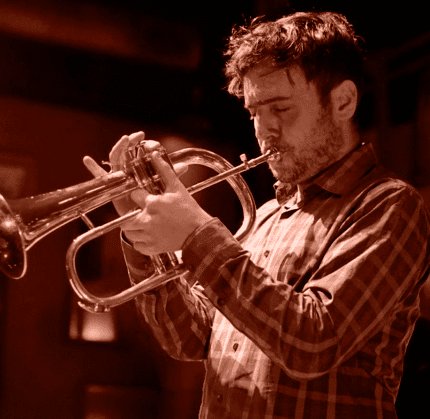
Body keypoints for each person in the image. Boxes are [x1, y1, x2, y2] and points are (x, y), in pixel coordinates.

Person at [85, 11, 430, 419]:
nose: (264, 130)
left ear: (343, 102)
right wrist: (143, 235)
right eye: (253, 112)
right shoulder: (265, 215)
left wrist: (197, 234)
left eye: (280, 108)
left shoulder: (390, 205)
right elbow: (190, 338)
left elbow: (314, 342)